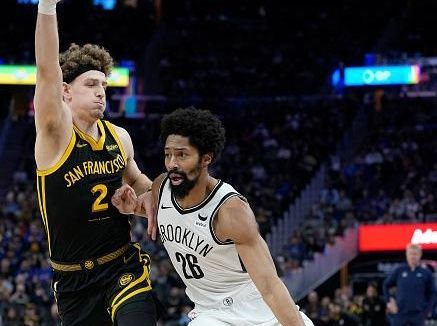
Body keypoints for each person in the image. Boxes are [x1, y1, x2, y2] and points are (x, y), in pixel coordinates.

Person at [112, 107, 313, 325]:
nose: (172, 163)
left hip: (257, 310)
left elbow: (270, 286)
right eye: (168, 154)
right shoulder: (161, 187)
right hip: (211, 313)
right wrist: (132, 208)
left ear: (206, 158)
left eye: (182, 155)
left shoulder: (231, 211)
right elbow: (175, 219)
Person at [34, 1, 157, 325]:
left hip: (122, 267)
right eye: (90, 84)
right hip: (74, 281)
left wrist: (146, 199)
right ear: (65, 92)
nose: (101, 92)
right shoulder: (54, 135)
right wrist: (47, 6)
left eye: (103, 85)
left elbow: (141, 183)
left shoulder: (119, 137)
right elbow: (46, 70)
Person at [383, 243, 436, 326]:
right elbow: (386, 285)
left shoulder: (426, 273)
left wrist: (428, 310)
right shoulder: (399, 270)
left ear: (420, 255)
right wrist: (389, 302)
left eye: (415, 254)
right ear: (406, 255)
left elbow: (433, 293)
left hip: (418, 315)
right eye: (410, 253)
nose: (413, 256)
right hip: (400, 314)